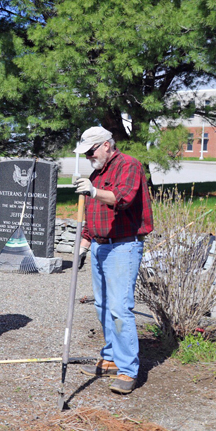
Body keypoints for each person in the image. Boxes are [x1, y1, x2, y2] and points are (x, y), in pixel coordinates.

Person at [73, 127, 154, 395]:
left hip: (123, 247)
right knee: (103, 307)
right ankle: (110, 357)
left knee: (120, 309)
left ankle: (128, 370)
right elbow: (93, 214)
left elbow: (123, 198)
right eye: (85, 153)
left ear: (107, 145)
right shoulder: (98, 171)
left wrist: (94, 191)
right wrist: (84, 245)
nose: (88, 157)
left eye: (91, 151)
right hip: (99, 246)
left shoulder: (129, 165)